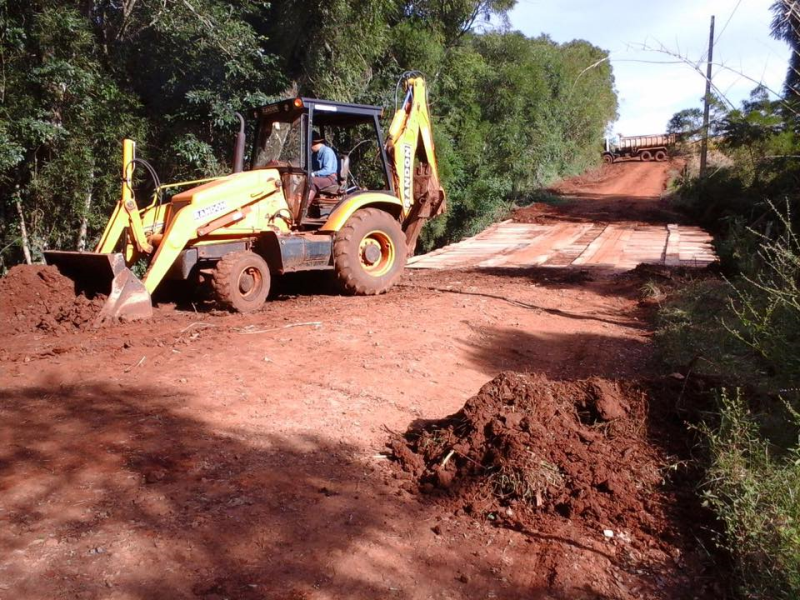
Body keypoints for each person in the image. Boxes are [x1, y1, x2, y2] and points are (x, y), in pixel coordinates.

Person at [308, 131, 338, 203]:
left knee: (311, 180)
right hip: (321, 178)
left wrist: (314, 174)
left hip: (330, 178)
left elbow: (327, 170)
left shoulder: (327, 151)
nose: (309, 148)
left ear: (313, 143)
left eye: (309, 145)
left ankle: (305, 206)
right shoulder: (314, 155)